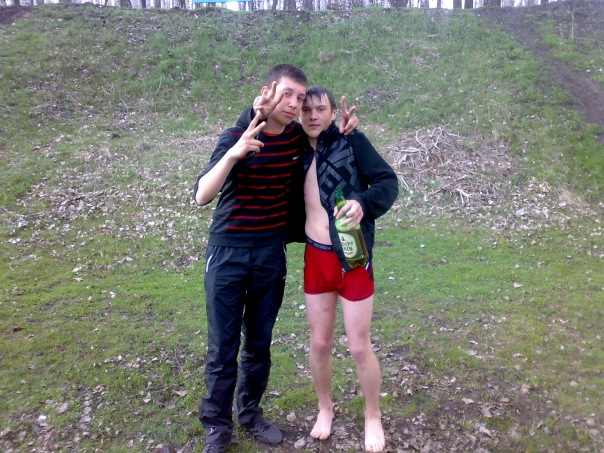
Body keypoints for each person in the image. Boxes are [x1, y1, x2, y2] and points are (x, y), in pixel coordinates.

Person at [193, 65, 358, 453]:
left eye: (300, 98)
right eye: (287, 94)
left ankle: (250, 414)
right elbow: (201, 195)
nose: (294, 104)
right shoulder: (238, 134)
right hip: (228, 253)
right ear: (268, 92)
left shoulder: (297, 138)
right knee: (223, 347)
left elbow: (325, 138)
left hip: (270, 253)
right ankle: (217, 426)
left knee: (259, 343)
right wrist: (234, 153)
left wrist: (346, 131)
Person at [299, 86, 398, 453]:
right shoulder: (293, 147)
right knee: (319, 342)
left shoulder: (350, 140)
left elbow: (387, 182)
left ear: (331, 113)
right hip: (316, 257)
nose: (312, 115)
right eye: (306, 109)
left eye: (320, 109)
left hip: (353, 256)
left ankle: (373, 415)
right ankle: (325, 407)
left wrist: (362, 203)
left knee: (358, 346)